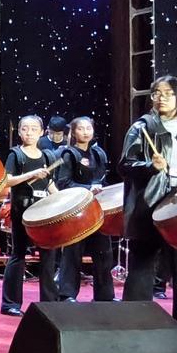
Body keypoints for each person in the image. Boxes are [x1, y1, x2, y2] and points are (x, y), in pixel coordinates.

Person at [121, 75, 177, 342]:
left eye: (168, 93)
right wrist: (150, 166)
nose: (161, 98)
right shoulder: (141, 127)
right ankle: (133, 327)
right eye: (156, 93)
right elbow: (125, 165)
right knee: (142, 267)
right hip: (149, 205)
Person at [0, 115, 61, 317]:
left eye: (34, 129)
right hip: (22, 208)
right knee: (18, 254)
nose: (29, 133)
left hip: (44, 210)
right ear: (19, 132)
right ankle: (10, 304)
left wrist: (63, 200)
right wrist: (30, 175)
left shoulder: (47, 156)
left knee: (48, 254)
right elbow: (7, 181)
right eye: (25, 129)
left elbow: (49, 184)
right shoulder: (16, 155)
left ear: (42, 132)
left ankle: (49, 303)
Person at [54, 116, 114, 303]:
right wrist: (88, 189)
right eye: (81, 129)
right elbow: (63, 183)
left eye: (89, 128)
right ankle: (67, 294)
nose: (86, 132)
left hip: (97, 209)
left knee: (104, 253)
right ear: (73, 132)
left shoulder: (99, 153)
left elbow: (103, 180)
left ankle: (105, 296)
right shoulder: (68, 154)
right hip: (76, 210)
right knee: (73, 253)